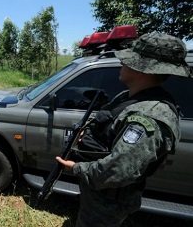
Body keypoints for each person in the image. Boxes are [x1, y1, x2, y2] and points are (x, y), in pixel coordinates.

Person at [56, 33, 192, 227]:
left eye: (128, 61)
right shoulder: (130, 97)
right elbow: (110, 122)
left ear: (142, 69)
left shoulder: (148, 116)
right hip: (98, 193)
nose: (122, 63)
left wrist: (75, 168)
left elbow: (119, 170)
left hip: (108, 202)